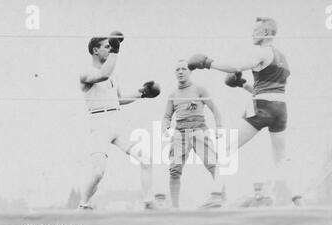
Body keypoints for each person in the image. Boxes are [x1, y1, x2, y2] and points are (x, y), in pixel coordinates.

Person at [187, 17, 302, 206]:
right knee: (281, 158)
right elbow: (268, 88)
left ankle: (216, 195)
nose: (252, 33)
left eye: (256, 30)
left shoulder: (261, 51)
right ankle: (298, 198)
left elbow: (235, 67)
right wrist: (242, 84)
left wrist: (208, 62)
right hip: (281, 109)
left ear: (266, 33)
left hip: (262, 106)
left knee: (226, 148)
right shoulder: (282, 57)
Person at [78, 31, 161, 210]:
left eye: (111, 47)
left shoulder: (113, 75)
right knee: (98, 173)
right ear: (95, 50)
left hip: (116, 122)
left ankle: (149, 201)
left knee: (145, 158)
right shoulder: (86, 73)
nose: (110, 50)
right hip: (98, 123)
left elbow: (119, 99)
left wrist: (142, 94)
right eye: (107, 47)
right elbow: (103, 75)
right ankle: (83, 205)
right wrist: (116, 50)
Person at [162, 60, 225, 208]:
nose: (180, 72)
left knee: (212, 163)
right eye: (177, 69)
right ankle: (175, 207)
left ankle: (221, 199)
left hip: (199, 128)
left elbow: (215, 110)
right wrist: (165, 127)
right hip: (180, 131)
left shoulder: (199, 89)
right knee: (174, 169)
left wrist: (219, 128)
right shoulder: (172, 94)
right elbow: (166, 116)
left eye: (184, 69)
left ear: (190, 71)